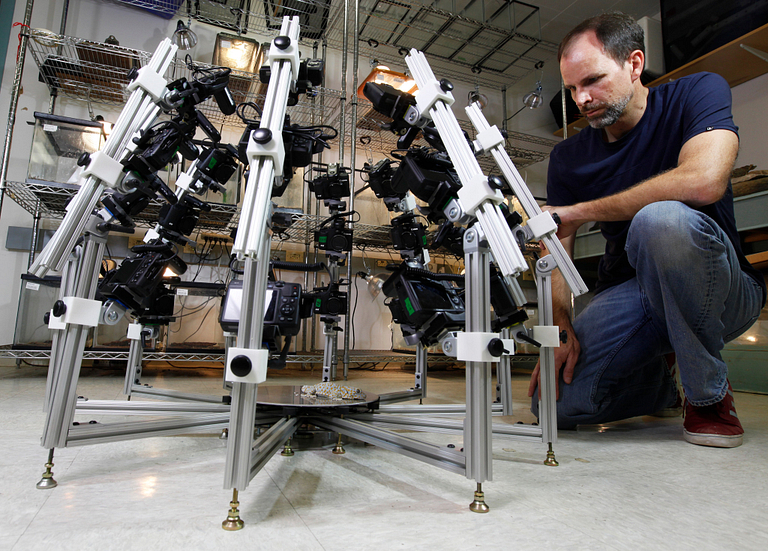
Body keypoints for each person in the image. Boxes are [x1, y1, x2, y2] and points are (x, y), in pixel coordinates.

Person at [527, 12, 766, 448]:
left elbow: (704, 179)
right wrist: (559, 326)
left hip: (721, 290)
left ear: (634, 64)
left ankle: (707, 395)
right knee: (553, 405)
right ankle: (658, 385)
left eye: (594, 81)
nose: (581, 99)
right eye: (573, 88)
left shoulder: (698, 91)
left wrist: (579, 210)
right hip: (636, 298)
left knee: (660, 221)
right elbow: (554, 249)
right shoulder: (568, 157)